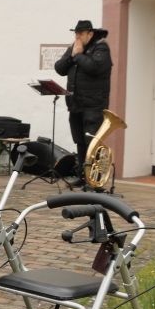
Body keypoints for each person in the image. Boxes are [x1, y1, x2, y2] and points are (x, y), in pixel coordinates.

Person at [54, 19, 112, 185]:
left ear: (90, 34)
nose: (77, 36)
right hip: (75, 104)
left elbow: (95, 68)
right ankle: (83, 176)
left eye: (81, 33)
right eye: (76, 33)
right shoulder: (75, 48)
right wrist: (72, 55)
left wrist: (78, 56)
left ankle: (95, 179)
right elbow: (60, 68)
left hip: (94, 105)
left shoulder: (101, 47)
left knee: (92, 142)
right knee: (79, 141)